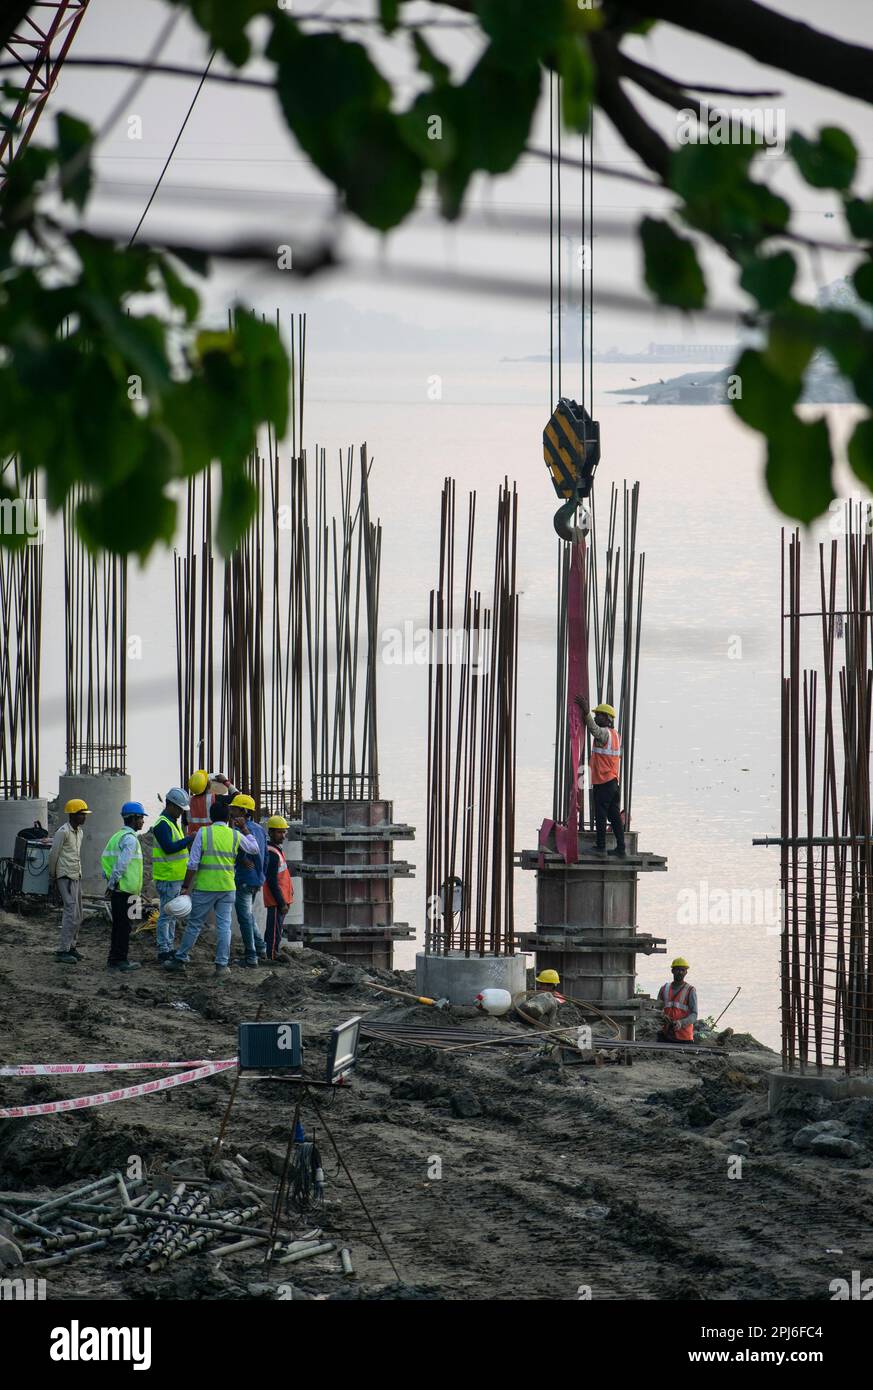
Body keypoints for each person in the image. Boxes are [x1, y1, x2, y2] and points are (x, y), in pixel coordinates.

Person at [164, 801, 261, 981]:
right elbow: (254, 848)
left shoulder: (204, 833)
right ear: (228, 818)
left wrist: (186, 886)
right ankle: (222, 966)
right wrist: (245, 829)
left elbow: (193, 863)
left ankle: (180, 959)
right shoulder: (234, 835)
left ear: (211, 816)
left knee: (194, 924)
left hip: (205, 887)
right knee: (224, 926)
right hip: (227, 887)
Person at [574, 694, 626, 859]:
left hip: (603, 782)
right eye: (595, 715)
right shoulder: (616, 735)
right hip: (613, 782)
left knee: (601, 815)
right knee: (614, 816)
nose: (596, 717)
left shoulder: (604, 733)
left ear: (608, 718)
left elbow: (594, 730)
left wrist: (586, 712)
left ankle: (601, 848)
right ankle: (621, 849)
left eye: (599, 715)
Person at [101, 801, 147, 973]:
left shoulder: (117, 836)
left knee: (122, 926)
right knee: (123, 926)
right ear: (133, 819)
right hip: (124, 890)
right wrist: (112, 885)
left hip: (127, 890)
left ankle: (117, 958)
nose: (143, 822)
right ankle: (119, 960)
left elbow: (106, 861)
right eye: (141, 818)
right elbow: (121, 864)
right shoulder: (130, 839)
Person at [152, 787, 197, 962]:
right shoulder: (162, 824)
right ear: (170, 805)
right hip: (167, 878)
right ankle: (164, 949)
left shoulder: (171, 823)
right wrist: (188, 839)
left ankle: (168, 947)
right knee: (166, 915)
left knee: (171, 915)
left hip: (174, 878)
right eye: (178, 808)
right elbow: (169, 848)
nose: (180, 812)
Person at [49, 798, 90, 965]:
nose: (84, 817)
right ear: (73, 815)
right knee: (70, 912)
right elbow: (54, 854)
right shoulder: (63, 832)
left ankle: (72, 946)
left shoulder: (79, 832)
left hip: (75, 876)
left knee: (78, 914)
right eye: (81, 814)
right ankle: (63, 950)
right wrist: (53, 876)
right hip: (65, 876)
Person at [230, 793, 267, 967]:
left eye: (235, 808)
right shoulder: (259, 829)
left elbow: (251, 851)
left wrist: (241, 859)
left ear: (243, 811)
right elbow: (264, 856)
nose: (231, 811)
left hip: (244, 879)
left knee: (244, 917)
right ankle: (260, 947)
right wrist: (261, 876)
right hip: (255, 879)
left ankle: (251, 956)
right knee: (248, 915)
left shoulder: (241, 831)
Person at [262, 815, 294, 960]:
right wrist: (281, 903)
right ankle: (272, 955)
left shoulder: (276, 850)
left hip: (281, 899)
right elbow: (272, 881)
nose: (283, 835)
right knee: (274, 930)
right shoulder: (272, 853)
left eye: (284, 832)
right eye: (279, 832)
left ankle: (271, 953)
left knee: (275, 929)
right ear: (271, 833)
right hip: (276, 901)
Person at [657, 957, 698, 1043]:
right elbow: (657, 1009)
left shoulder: (690, 990)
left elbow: (694, 1015)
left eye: (683, 970)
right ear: (672, 971)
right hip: (666, 1034)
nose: (680, 972)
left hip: (684, 1037)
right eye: (677, 970)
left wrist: (681, 1023)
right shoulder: (664, 988)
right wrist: (662, 1016)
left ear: (686, 972)